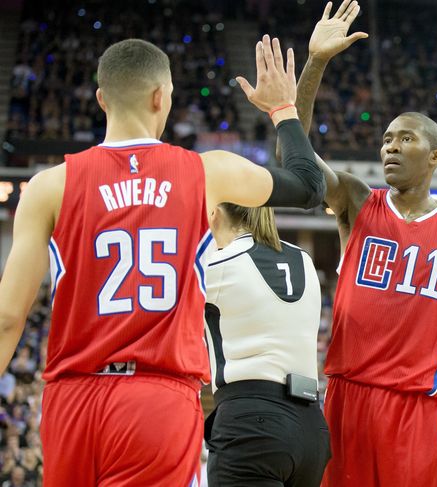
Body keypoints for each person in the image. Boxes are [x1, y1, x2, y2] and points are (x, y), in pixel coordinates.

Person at [0, 36, 325, 486]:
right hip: (158, 398)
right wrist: (282, 110)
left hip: (72, 397)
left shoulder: (48, 186)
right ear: (161, 97)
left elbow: (7, 318)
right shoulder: (205, 171)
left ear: (101, 99)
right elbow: (309, 186)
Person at [286, 1, 437, 484]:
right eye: (385, 140)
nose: (390, 147)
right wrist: (315, 63)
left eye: (405, 139)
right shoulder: (359, 202)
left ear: (435, 155)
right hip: (348, 394)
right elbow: (296, 161)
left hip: (423, 405)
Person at [203, 204, 330, 486]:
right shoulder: (303, 259)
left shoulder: (216, 263)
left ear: (215, 213)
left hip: (251, 424)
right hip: (311, 425)